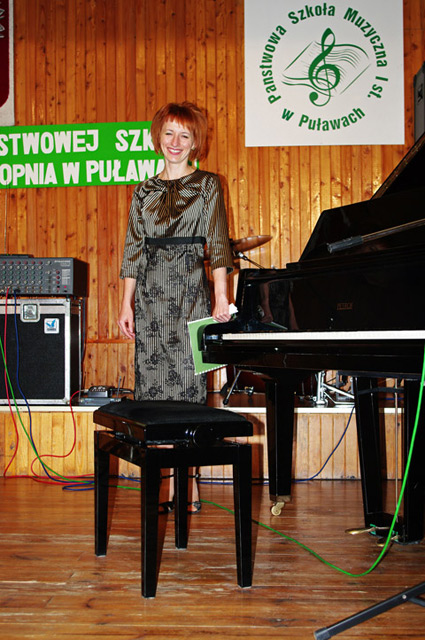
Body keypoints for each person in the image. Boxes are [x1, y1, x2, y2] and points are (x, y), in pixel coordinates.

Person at [117, 102, 234, 512]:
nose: (176, 142)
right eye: (169, 132)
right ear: (158, 137)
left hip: (190, 294)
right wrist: (126, 304)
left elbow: (218, 241)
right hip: (149, 299)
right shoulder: (143, 191)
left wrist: (221, 295)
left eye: (185, 134)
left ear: (195, 141)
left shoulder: (208, 185)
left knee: (189, 390)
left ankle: (190, 481)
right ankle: (165, 481)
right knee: (152, 393)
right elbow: (132, 251)